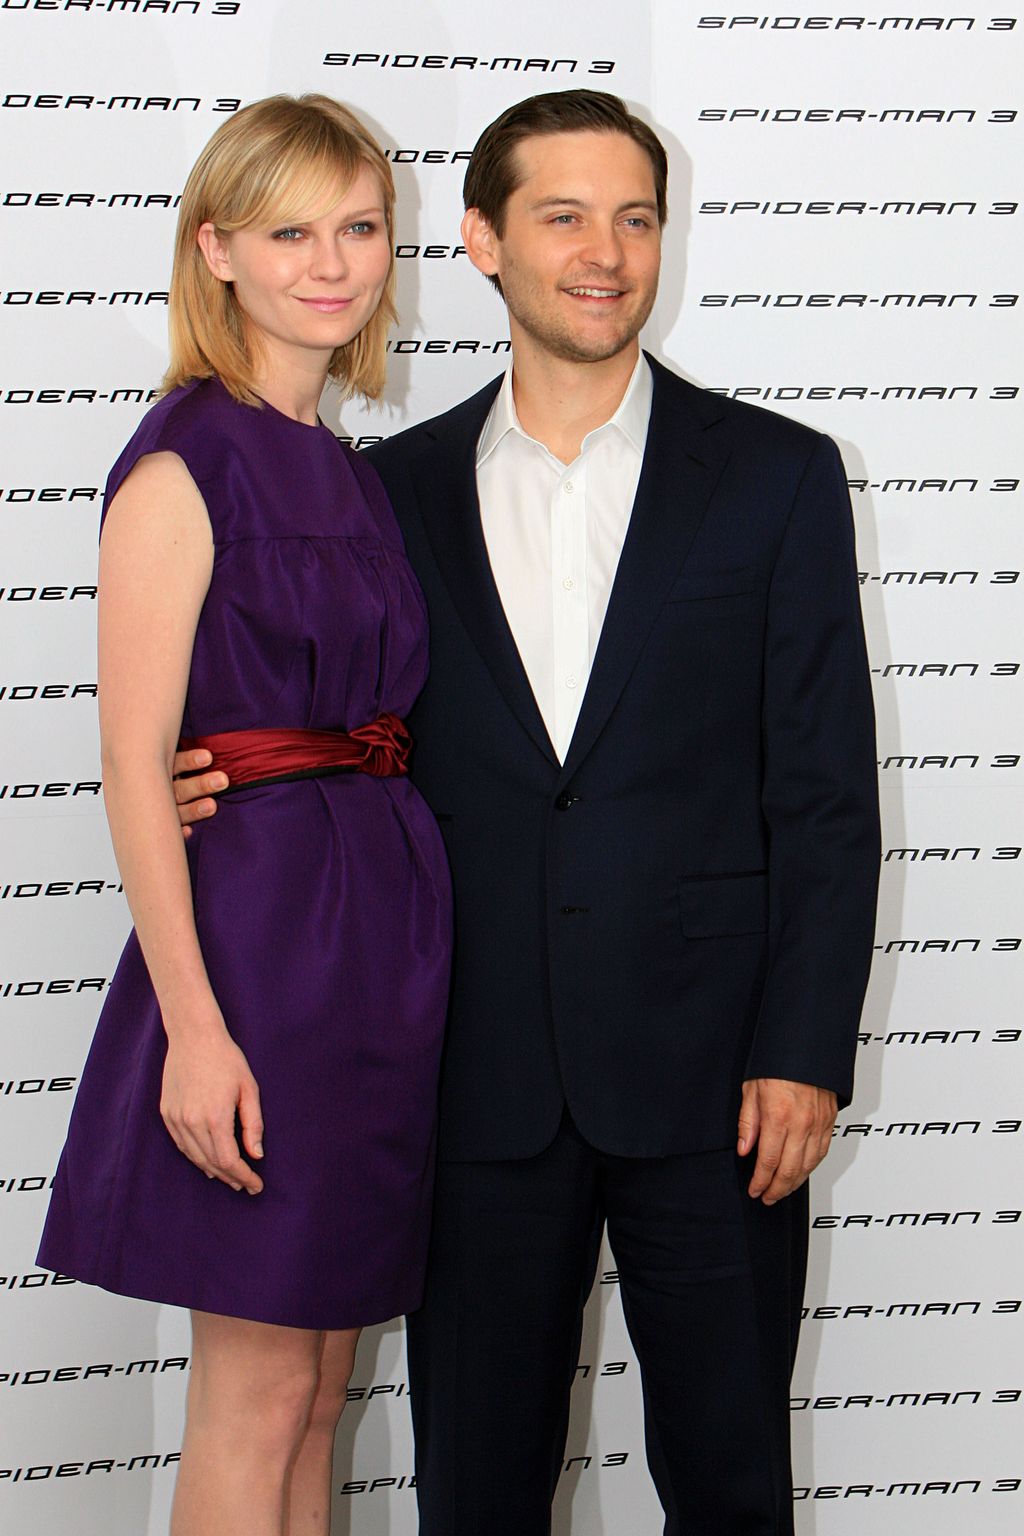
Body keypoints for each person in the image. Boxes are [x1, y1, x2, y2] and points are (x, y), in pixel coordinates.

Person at [177, 89, 880, 1534]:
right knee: (478, 1497)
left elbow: (823, 795)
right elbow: (334, 740)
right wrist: (228, 779)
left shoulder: (776, 477)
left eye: (635, 217)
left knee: (733, 1487)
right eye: (562, 216)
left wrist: (804, 1052)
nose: (605, 252)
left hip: (721, 1091)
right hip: (466, 1078)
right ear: (486, 242)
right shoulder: (390, 495)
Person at [36, 94, 451, 1536]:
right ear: (216, 249)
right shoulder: (183, 460)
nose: (330, 264)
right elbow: (135, 763)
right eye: (289, 231)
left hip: (377, 949)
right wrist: (196, 1030)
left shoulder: (346, 469)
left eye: (357, 227)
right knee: (256, 1393)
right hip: (260, 953)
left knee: (322, 1393)